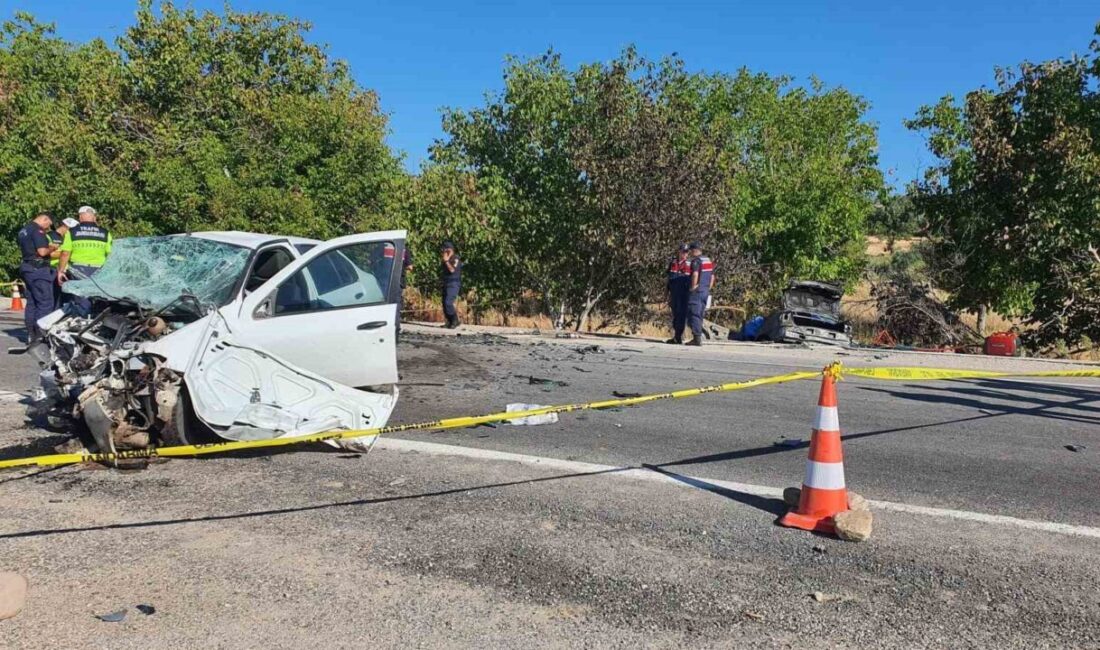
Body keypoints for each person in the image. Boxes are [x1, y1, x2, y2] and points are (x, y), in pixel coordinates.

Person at [57, 206, 112, 317]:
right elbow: (110, 254)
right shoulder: (105, 233)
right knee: (97, 298)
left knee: (81, 298)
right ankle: (93, 322)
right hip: (99, 271)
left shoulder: (72, 232)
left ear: (80, 217)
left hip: (78, 269)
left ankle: (81, 322)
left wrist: (61, 271)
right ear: (94, 218)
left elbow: (65, 253)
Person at [16, 212, 57, 342]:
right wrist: (52, 247)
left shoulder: (24, 230)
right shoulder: (37, 231)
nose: (47, 228)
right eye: (48, 225)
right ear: (45, 219)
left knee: (32, 302)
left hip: (27, 268)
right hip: (38, 270)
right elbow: (42, 251)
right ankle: (40, 335)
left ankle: (31, 334)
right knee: (45, 302)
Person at [686, 242, 716, 346]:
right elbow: (712, 277)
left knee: (694, 313)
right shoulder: (707, 260)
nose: (689, 253)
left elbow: (695, 274)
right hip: (705, 290)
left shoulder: (696, 261)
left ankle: (697, 338)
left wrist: (693, 286)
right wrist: (708, 287)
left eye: (690, 250)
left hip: (697, 291)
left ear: (694, 250)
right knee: (700, 313)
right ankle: (697, 336)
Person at [49, 217, 78, 309]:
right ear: (66, 226)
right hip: (54, 269)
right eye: (72, 229)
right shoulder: (51, 236)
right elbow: (51, 253)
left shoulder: (68, 237)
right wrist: (67, 253)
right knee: (55, 298)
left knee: (65, 298)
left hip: (65, 270)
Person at [665, 244, 691, 344]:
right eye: (683, 251)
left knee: (681, 315)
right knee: (675, 314)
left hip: (683, 294)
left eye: (686, 252)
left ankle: (678, 336)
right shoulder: (673, 262)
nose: (684, 254)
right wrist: (666, 293)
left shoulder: (690, 264)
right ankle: (676, 336)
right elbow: (668, 279)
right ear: (679, 251)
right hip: (674, 293)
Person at [440, 241, 462, 329]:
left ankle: (455, 320)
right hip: (446, 282)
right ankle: (449, 321)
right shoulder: (446, 259)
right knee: (444, 303)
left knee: (448, 302)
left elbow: (452, 270)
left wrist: (446, 261)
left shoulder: (455, 258)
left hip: (453, 283)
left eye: (444, 250)